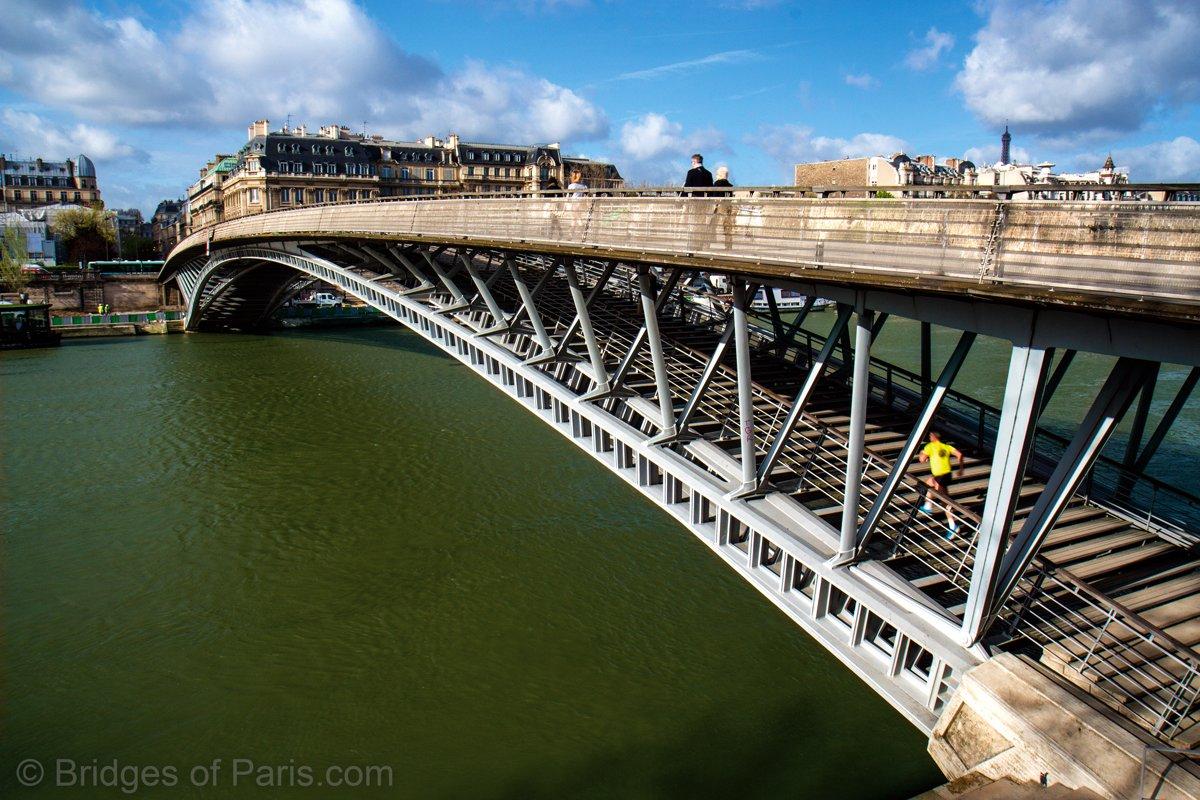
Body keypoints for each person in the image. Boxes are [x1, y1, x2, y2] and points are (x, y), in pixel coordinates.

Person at [918, 431, 964, 537]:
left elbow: (922, 459)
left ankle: (953, 526)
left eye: (930, 435)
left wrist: (921, 452)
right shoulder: (946, 446)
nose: (929, 437)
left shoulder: (930, 446)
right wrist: (961, 469)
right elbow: (959, 454)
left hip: (940, 476)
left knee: (945, 502)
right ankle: (928, 505)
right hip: (947, 475)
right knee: (929, 483)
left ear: (933, 437)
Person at [712, 166, 734, 249]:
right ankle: (728, 245)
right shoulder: (730, 186)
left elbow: (714, 198)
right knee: (727, 227)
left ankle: (707, 243)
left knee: (712, 225)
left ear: (720, 175)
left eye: (717, 174)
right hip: (728, 207)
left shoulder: (717, 184)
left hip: (718, 207)